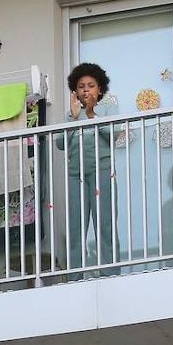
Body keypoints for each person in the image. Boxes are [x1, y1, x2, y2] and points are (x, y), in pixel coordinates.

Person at [59, 62, 118, 274]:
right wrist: (74, 118)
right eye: (81, 86)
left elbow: (113, 135)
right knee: (75, 227)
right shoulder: (71, 113)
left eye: (91, 86)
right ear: (75, 91)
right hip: (75, 175)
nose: (86, 90)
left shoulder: (108, 109)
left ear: (100, 89)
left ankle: (111, 274)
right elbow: (60, 143)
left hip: (102, 171)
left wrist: (92, 114)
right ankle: (75, 277)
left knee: (105, 224)